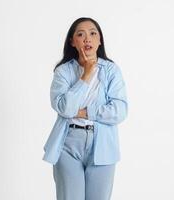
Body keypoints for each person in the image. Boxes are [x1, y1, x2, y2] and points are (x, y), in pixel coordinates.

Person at [42, 17, 128, 200]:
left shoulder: (111, 71)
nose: (87, 38)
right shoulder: (63, 72)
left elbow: (120, 110)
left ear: (99, 41)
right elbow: (65, 108)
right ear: (72, 42)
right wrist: (86, 75)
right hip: (68, 143)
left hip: (103, 144)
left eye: (93, 33)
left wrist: (86, 112)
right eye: (80, 34)